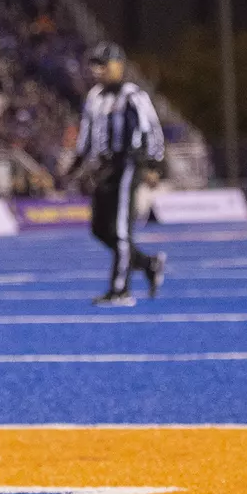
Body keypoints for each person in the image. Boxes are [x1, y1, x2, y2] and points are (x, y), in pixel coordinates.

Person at [74, 42, 166, 306]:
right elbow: (87, 134)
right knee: (99, 229)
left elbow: (152, 129)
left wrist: (153, 165)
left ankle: (120, 290)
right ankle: (148, 263)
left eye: (103, 64)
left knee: (121, 230)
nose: (97, 70)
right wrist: (76, 165)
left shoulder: (133, 95)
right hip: (104, 167)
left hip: (128, 163)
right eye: (95, 65)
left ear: (118, 65)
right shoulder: (94, 96)